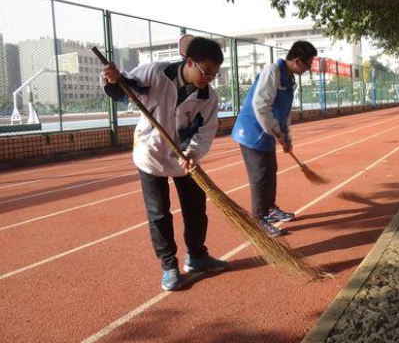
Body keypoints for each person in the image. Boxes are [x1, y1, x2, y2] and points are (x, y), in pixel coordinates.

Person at [101, 36, 228, 291]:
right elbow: (124, 90)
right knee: (159, 213)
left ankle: (197, 256)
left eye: (214, 75)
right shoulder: (155, 73)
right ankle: (169, 266)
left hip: (184, 157)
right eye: (206, 72)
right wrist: (112, 79)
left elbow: (206, 130)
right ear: (190, 61)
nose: (208, 78)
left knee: (196, 209)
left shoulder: (208, 97)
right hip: (151, 153)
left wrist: (193, 153)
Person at [232, 41, 318, 237]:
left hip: (269, 132)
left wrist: (286, 137)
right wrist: (275, 131)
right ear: (297, 61)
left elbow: (285, 112)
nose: (308, 69)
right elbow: (260, 105)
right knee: (260, 176)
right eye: (307, 65)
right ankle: (259, 218)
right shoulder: (272, 72)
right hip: (253, 132)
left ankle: (270, 209)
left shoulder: (289, 80)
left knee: (271, 171)